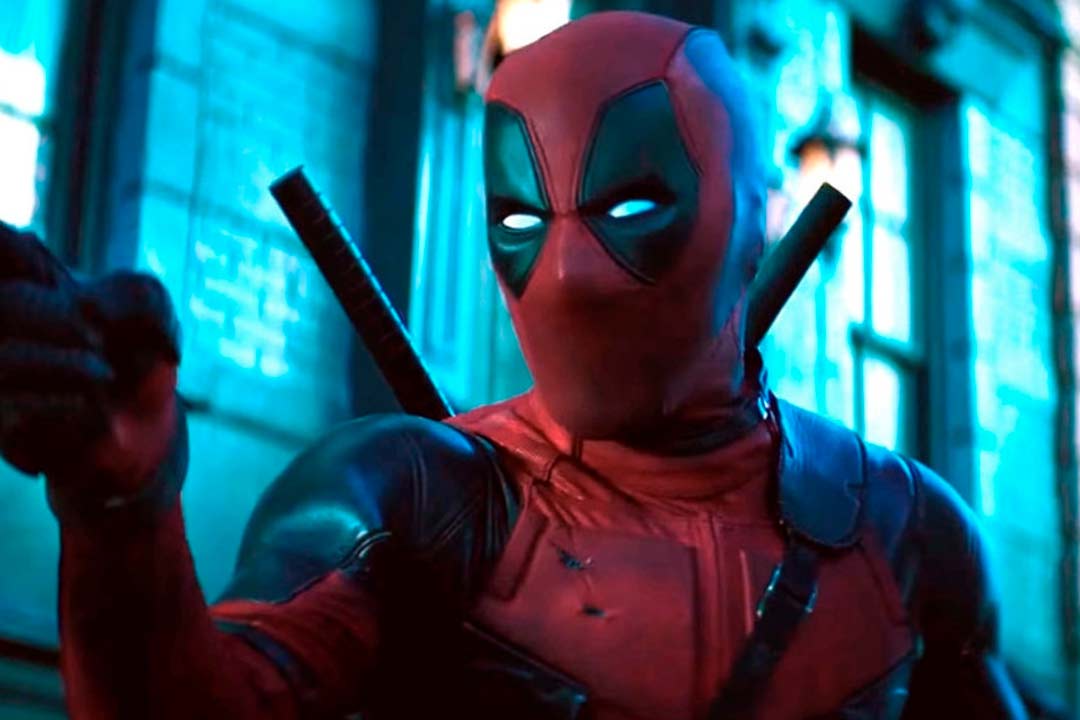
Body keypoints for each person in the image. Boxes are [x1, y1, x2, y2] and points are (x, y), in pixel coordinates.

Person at [0, 11, 1026, 719]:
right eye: (523, 219)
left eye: (631, 206)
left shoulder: (903, 532)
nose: (570, 272)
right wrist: (125, 512)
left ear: (750, 223)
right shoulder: (409, 496)